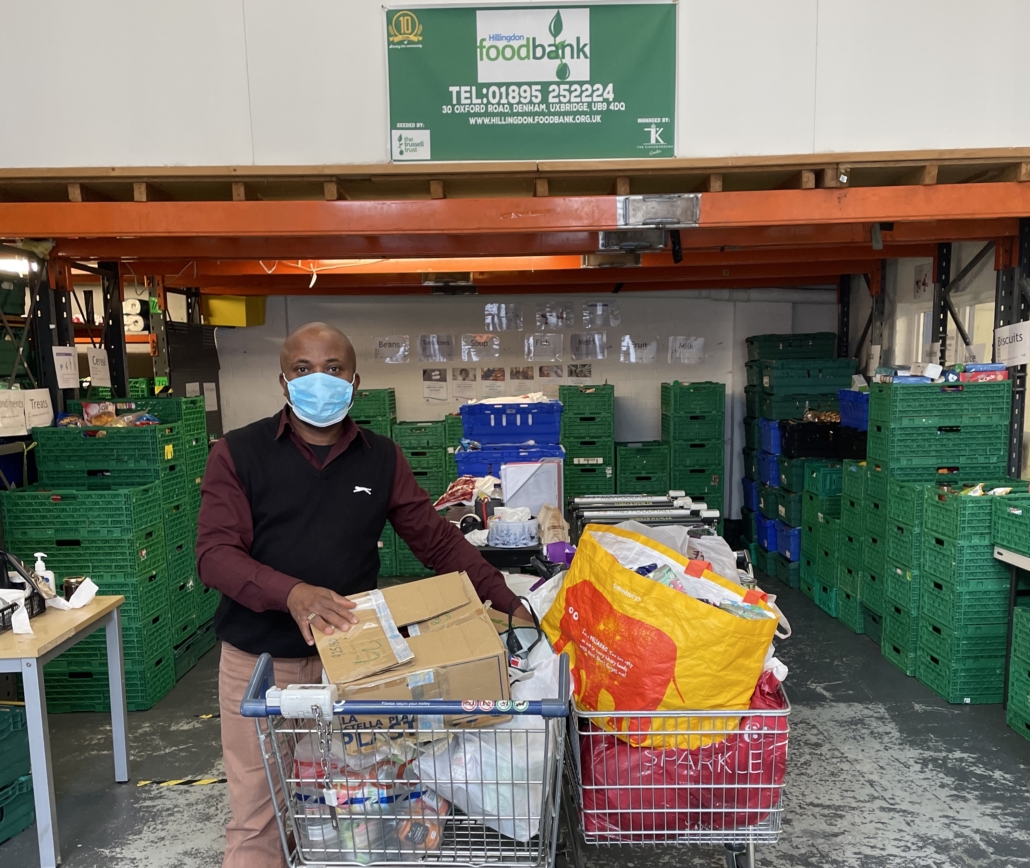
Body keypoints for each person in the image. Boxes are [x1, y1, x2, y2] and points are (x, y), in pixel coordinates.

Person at [197, 322, 525, 868]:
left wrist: (508, 603)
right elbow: (214, 554)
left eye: (333, 368)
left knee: (355, 807)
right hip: (260, 663)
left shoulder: (381, 458)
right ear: (283, 381)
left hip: (351, 661)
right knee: (259, 814)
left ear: (354, 381)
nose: (318, 380)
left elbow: (437, 541)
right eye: (303, 369)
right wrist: (291, 593)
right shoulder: (238, 453)